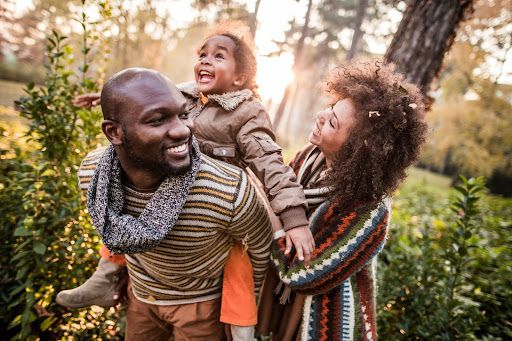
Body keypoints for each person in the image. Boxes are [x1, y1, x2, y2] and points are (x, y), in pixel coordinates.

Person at [58, 23, 314, 340]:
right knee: (119, 199)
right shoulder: (188, 94)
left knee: (238, 261)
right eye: (202, 54)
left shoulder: (247, 112)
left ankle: (242, 327)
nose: (205, 60)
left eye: (219, 56)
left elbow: (269, 163)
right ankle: (104, 275)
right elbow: (140, 102)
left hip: (216, 198)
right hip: (170, 180)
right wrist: (106, 98)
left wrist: (293, 217)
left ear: (239, 78)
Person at [74, 67, 272, 340]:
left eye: (183, 114)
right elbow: (116, 230)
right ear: (114, 133)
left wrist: (239, 311)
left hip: (201, 307)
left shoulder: (228, 190)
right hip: (141, 297)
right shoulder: (93, 174)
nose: (183, 130)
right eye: (157, 120)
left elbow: (259, 253)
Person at [257, 61, 428, 341]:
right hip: (275, 297)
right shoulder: (308, 157)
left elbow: (307, 276)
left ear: (356, 150)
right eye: (331, 107)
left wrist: (276, 218)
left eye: (332, 121)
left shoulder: (369, 211)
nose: (321, 115)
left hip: (312, 311)